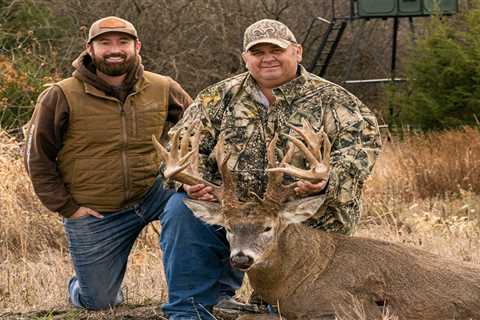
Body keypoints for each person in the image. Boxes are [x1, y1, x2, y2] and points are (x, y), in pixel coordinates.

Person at [24, 16, 243, 319]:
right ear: (90, 48)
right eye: (105, 43)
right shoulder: (60, 95)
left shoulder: (162, 86)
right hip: (97, 210)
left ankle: (218, 292)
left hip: (154, 192)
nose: (115, 49)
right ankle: (84, 288)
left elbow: (201, 134)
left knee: (208, 201)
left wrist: (195, 180)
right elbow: (36, 157)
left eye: (123, 42)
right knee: (99, 301)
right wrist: (68, 206)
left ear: (137, 46)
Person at [171, 18, 382, 238]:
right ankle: (206, 274)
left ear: (297, 52)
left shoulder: (336, 100)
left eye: (276, 50)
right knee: (179, 209)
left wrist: (327, 180)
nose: (268, 58)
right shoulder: (215, 98)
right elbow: (180, 146)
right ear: (245, 58)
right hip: (232, 218)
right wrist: (195, 183)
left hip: (308, 222)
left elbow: (361, 150)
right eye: (258, 52)